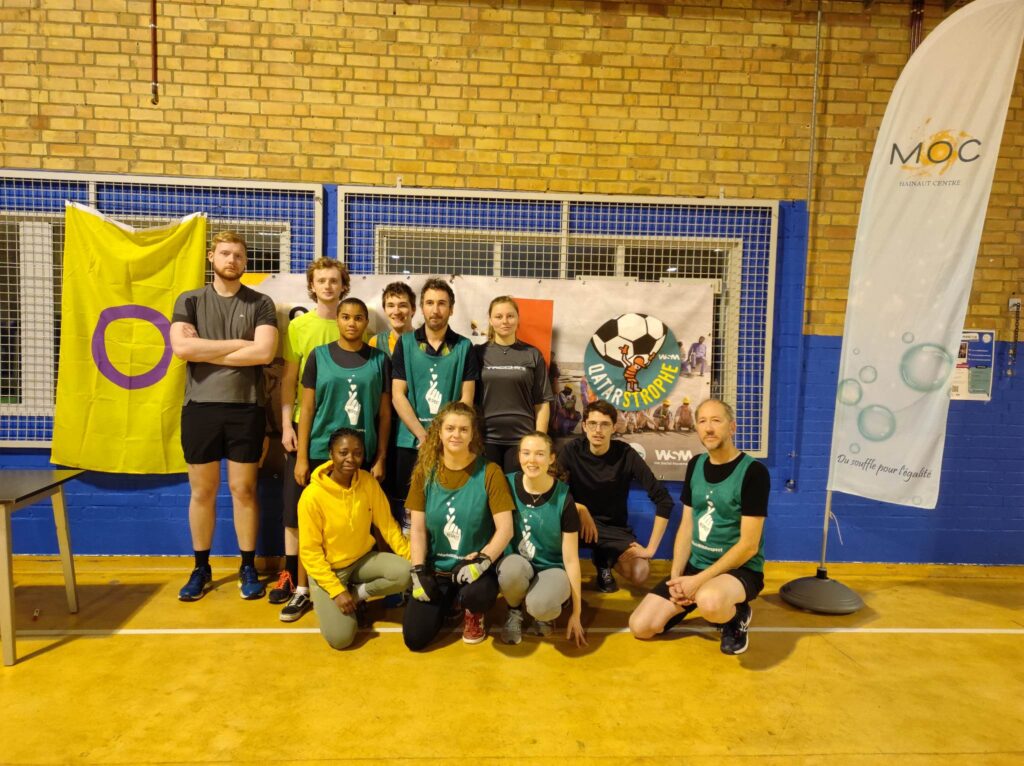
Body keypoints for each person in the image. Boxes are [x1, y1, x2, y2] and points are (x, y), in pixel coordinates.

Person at [170, 230, 278, 601]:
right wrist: (238, 345)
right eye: (225, 254)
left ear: (245, 262)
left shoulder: (261, 302)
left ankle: (247, 566)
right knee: (202, 491)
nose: (232, 260)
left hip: (247, 408)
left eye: (238, 255)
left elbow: (264, 353)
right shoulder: (190, 300)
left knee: (243, 490)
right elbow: (182, 348)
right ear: (212, 258)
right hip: (200, 408)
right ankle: (201, 567)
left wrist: (206, 349)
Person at [628, 399, 769, 655]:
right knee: (641, 627)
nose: (709, 428)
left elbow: (749, 546)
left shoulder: (754, 472)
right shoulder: (695, 465)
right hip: (696, 567)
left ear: (732, 427)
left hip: (739, 571)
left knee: (710, 602)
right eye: (702, 421)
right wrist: (676, 578)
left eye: (716, 420)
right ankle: (696, 597)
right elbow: (687, 526)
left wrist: (697, 583)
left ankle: (737, 615)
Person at [402, 402, 514, 650]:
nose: (456, 435)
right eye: (450, 428)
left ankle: (472, 611)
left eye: (464, 429)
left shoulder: (490, 472)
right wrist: (418, 571)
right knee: (415, 638)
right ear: (439, 432)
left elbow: (506, 529)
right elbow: (417, 530)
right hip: (438, 569)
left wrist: (483, 560)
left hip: (474, 568)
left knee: (476, 595)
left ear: (473, 434)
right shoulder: (425, 472)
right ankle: (450, 603)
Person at [274, 257, 348, 620]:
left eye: (334, 280)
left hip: (343, 434)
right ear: (312, 286)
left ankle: (333, 578)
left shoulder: (352, 324)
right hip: (306, 430)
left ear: (343, 286)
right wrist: (286, 425)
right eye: (322, 281)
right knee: (295, 508)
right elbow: (289, 379)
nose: (328, 286)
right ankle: (291, 574)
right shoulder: (298, 326)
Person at [298, 428, 411, 650]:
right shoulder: (312, 496)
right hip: (330, 571)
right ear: (331, 454)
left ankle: (357, 594)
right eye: (343, 452)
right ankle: (331, 597)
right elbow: (310, 553)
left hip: (361, 560)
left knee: (405, 572)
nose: (350, 458)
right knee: (341, 639)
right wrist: (336, 591)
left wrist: (414, 561)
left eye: (357, 453)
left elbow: (388, 527)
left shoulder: (367, 482)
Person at [558, 400, 674, 594]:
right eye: (593, 424)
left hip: (612, 528)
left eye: (605, 424)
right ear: (584, 426)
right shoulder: (572, 450)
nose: (598, 430)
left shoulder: (626, 454)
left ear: (614, 427)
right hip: (576, 522)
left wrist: (650, 549)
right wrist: (579, 508)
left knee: (640, 572)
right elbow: (552, 492)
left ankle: (603, 561)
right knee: (556, 572)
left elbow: (664, 500)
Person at [391, 279, 478, 524]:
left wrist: (444, 435)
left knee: (445, 508)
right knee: (408, 510)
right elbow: (398, 395)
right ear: (421, 308)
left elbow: (466, 399)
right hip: (411, 441)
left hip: (449, 443)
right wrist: (422, 435)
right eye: (429, 303)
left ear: (451, 309)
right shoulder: (406, 343)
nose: (435, 309)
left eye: (442, 303)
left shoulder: (464, 346)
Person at [498, 432, 586, 647]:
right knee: (509, 570)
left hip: (552, 568)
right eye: (526, 453)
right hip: (519, 564)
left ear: (551, 458)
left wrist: (577, 613)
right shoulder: (505, 484)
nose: (532, 460)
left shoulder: (564, 498)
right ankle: (514, 611)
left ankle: (544, 610)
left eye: (539, 454)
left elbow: (571, 559)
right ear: (519, 456)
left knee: (540, 605)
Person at [474, 296, 553, 472]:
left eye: (510, 316)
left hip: (523, 441)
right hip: (486, 439)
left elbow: (542, 403)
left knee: (516, 488)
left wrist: (539, 440)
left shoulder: (532, 354)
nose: (505, 321)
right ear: (490, 320)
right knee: (489, 488)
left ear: (518, 319)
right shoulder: (478, 353)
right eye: (499, 316)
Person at [368, 281, 416, 357]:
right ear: (384, 310)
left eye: (402, 305)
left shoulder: (426, 342)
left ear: (413, 309)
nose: (396, 312)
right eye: (391, 306)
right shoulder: (376, 343)